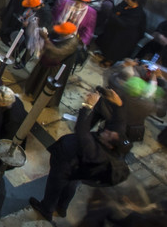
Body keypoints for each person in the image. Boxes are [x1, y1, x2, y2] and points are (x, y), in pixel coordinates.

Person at [29, 90, 130, 222]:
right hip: (79, 170)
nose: (106, 130)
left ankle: (46, 209)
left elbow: (82, 130)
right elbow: (119, 121)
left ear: (110, 146)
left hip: (67, 164)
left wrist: (87, 106)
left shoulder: (96, 153)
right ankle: (62, 208)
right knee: (71, 185)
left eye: (108, 134)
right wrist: (119, 104)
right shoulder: (117, 142)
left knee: (54, 186)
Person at [24, 22, 80, 106]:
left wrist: (46, 40)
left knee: (47, 83)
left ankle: (42, 100)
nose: (59, 32)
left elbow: (59, 52)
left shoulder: (72, 42)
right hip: (48, 58)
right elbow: (51, 31)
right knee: (38, 76)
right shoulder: (60, 34)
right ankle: (32, 90)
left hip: (57, 64)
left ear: (67, 33)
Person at [96, 0, 148, 66]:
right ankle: (103, 54)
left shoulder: (139, 14)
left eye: (128, 0)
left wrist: (116, 16)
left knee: (116, 46)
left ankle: (110, 60)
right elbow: (114, 11)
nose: (125, 0)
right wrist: (115, 15)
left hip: (126, 35)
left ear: (135, 2)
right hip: (115, 28)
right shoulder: (124, 4)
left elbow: (126, 24)